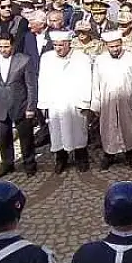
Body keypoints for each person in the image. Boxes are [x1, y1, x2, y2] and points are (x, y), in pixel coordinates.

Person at [0, 34, 40, 177]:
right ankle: (7, 163)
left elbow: (31, 86)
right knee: (3, 138)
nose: (3, 50)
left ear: (13, 46)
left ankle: (29, 163)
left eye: (6, 46)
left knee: (26, 138)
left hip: (20, 105)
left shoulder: (24, 60)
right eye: (0, 47)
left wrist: (31, 107)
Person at [37, 31, 93, 173]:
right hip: (55, 101)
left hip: (74, 101)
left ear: (68, 44)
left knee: (79, 132)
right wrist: (43, 103)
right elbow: (43, 80)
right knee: (57, 132)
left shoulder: (81, 58)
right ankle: (61, 159)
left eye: (61, 45)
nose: (58, 48)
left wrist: (85, 102)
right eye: (55, 45)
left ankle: (81, 158)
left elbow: (87, 80)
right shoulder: (46, 58)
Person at [92, 31, 132, 170]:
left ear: (121, 43)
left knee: (128, 127)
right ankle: (109, 154)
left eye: (117, 46)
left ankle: (130, 153)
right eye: (111, 47)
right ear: (106, 46)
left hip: (126, 100)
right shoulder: (100, 60)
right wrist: (96, 103)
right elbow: (95, 82)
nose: (115, 49)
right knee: (108, 127)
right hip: (107, 100)